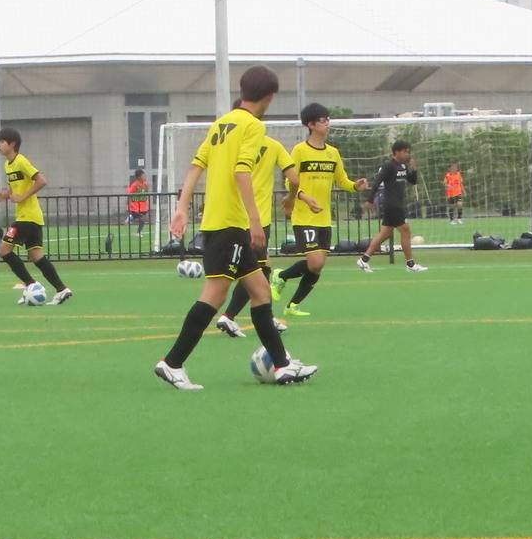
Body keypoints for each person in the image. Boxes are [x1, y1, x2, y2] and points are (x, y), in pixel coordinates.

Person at [154, 64, 312, 390]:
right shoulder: (253, 126)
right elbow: (243, 172)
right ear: (270, 97)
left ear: (242, 91)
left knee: (260, 291)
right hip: (230, 224)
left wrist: (182, 209)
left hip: (218, 223)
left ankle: (282, 365)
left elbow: (196, 166)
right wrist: (255, 223)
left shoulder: (221, 124)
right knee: (215, 294)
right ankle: (172, 363)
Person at [275, 103, 371, 316]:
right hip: (304, 215)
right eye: (323, 120)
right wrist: (305, 198)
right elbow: (289, 181)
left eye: (328, 119)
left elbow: (342, 180)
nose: (328, 123)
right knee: (315, 261)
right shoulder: (300, 150)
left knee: (317, 266)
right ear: (311, 125)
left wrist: (356, 185)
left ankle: (293, 305)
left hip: (324, 217)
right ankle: (280, 276)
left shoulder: (333, 153)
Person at [205, 119, 292, 338]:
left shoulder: (231, 148)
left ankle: (265, 316)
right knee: (252, 270)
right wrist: (294, 196)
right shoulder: (273, 146)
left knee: (262, 268)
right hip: (256, 220)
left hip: (235, 216)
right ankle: (230, 315)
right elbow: (293, 177)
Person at [0, 128, 71, 305]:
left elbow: (41, 180)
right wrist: (3, 196)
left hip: (27, 217)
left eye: (1, 142)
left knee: (3, 250)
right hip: (33, 217)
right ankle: (62, 289)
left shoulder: (21, 161)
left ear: (12, 144)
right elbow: (14, 189)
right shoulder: (8, 165)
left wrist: (22, 197)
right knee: (36, 256)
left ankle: (31, 285)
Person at [359, 140, 428, 274]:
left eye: (408, 151)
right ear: (396, 151)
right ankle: (411, 264)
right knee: (406, 231)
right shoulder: (389, 165)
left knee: (385, 234)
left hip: (397, 203)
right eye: (404, 151)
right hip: (393, 204)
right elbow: (377, 182)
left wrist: (413, 169)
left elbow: (412, 181)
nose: (407, 154)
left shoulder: (402, 165)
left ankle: (363, 260)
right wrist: (369, 200)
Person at [125, 169, 150, 234]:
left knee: (143, 219)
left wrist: (147, 201)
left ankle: (139, 232)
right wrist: (130, 202)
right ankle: (130, 218)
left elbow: (147, 192)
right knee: (138, 216)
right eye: (143, 175)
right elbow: (129, 193)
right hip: (136, 204)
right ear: (139, 177)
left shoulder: (145, 184)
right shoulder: (135, 185)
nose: (144, 176)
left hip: (143, 204)